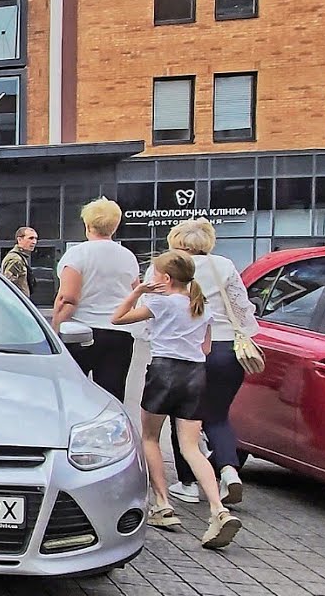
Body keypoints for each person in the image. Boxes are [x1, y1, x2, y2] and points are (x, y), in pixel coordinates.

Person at [112, 250, 243, 550]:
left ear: (166, 278)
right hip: (195, 375)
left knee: (150, 438)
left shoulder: (159, 302)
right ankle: (217, 509)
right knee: (191, 446)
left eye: (154, 273)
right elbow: (206, 347)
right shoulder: (201, 306)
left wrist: (138, 291)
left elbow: (117, 318)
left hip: (163, 372)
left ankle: (162, 504)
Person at [145, 218, 260, 507]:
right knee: (218, 415)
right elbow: (241, 308)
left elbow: (149, 311)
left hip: (188, 353)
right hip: (227, 350)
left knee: (181, 415)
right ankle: (229, 471)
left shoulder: (165, 266)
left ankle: (187, 483)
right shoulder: (224, 265)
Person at [52, 197, 140, 401]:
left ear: (88, 224)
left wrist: (55, 328)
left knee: (73, 394)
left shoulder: (77, 254)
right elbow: (134, 294)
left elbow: (68, 298)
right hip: (119, 334)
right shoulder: (128, 256)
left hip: (80, 332)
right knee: (112, 395)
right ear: (115, 225)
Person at [0, 226, 39, 297]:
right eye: (30, 238)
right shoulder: (15, 259)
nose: (34, 242)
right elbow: (9, 285)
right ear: (19, 239)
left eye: (36, 238)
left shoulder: (21, 258)